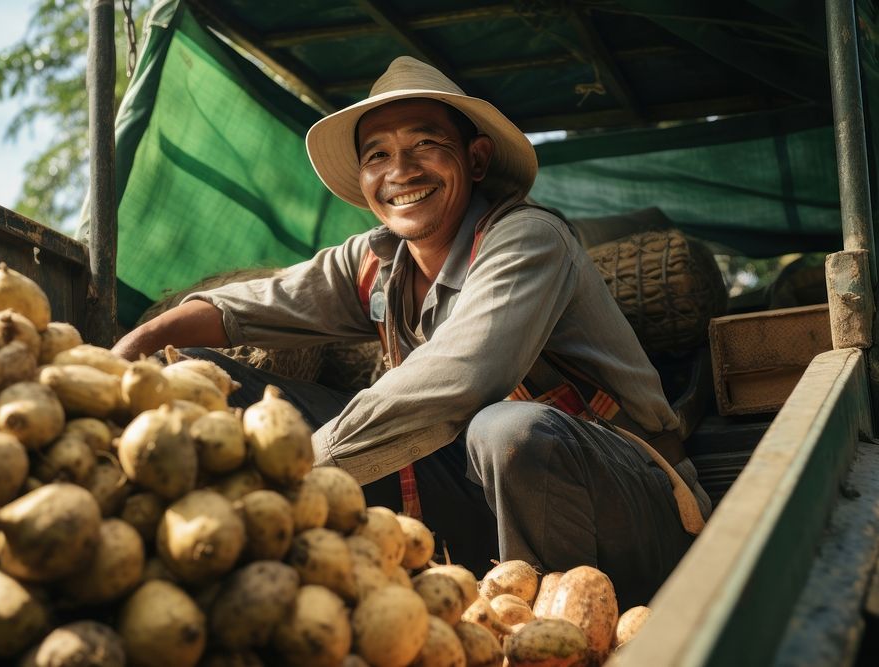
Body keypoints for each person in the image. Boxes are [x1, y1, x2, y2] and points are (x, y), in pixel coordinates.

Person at [113, 56, 711, 608]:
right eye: (378, 156)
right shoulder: (376, 262)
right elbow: (255, 304)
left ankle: (545, 627)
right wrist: (138, 348)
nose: (401, 172)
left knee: (509, 429)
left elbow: (461, 376)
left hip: (631, 506)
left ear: (475, 160)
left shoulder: (527, 239)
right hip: (489, 503)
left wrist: (297, 471)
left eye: (427, 145)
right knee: (206, 378)